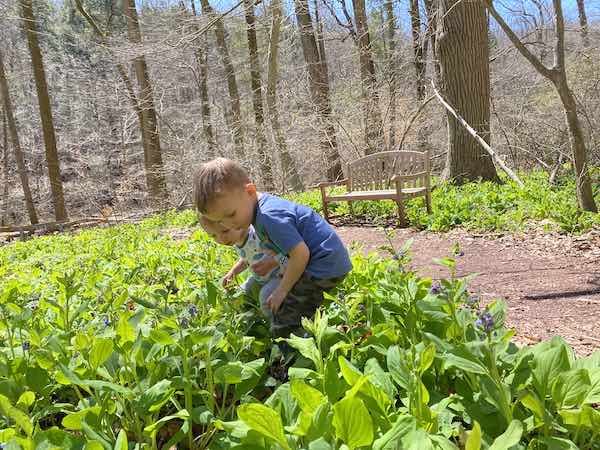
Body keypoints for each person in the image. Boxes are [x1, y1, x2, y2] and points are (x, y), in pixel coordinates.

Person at [193, 158, 352, 338]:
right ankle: (320, 333)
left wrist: (281, 290)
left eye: (231, 214)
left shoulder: (269, 217)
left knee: (284, 319)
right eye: (221, 221)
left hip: (323, 264)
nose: (230, 223)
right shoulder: (260, 211)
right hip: (323, 262)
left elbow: (300, 253)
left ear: (250, 191)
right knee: (298, 308)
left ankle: (299, 358)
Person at [199, 215, 286, 322]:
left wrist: (271, 263)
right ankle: (250, 318)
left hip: (279, 276)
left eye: (225, 231)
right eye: (213, 236)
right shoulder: (238, 239)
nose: (221, 239)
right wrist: (233, 272)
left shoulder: (257, 235)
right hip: (260, 278)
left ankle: (279, 324)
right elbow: (246, 259)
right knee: (241, 294)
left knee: (265, 297)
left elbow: (285, 252)